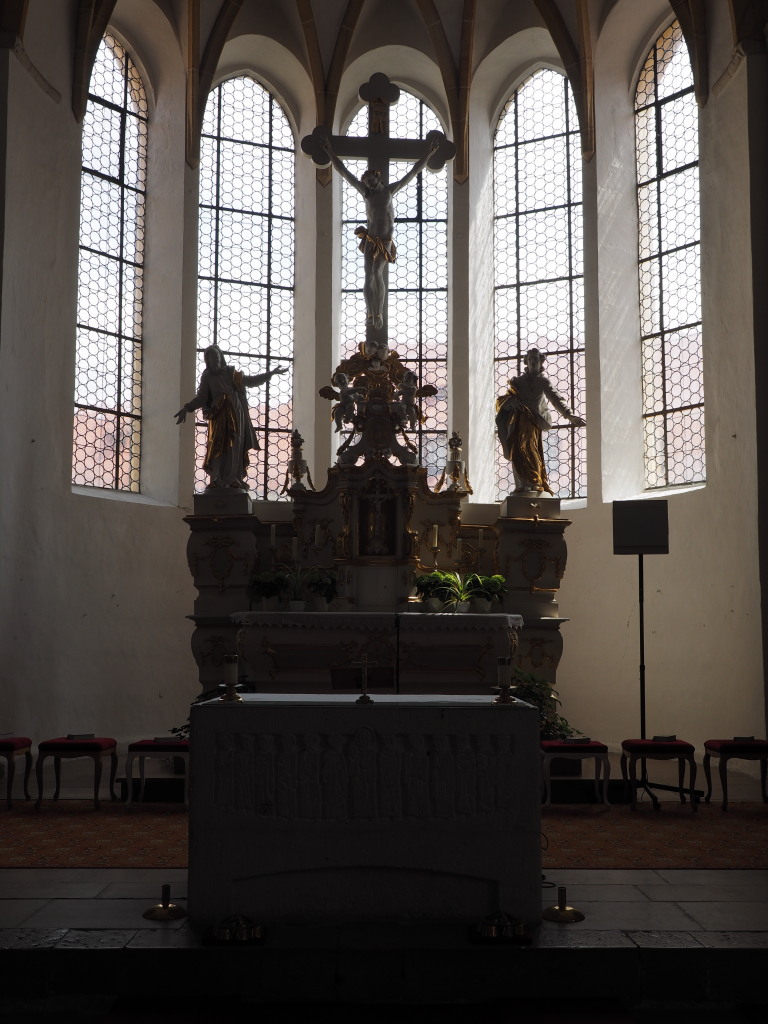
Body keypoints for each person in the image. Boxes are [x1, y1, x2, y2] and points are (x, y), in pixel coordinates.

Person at [320, 134, 439, 329]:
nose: (368, 184)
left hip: (385, 240)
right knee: (368, 274)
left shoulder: (389, 191)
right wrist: (329, 152)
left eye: (370, 180)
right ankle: (370, 312)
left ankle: (379, 312)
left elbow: (412, 172)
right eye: (366, 182)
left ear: (378, 177)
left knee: (377, 273)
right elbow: (344, 171)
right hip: (370, 238)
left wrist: (428, 154)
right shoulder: (366, 194)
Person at [175, 344, 288, 490]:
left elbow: (251, 381)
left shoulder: (231, 373)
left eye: (216, 357)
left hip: (236, 413)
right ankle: (217, 477)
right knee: (217, 445)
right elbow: (202, 397)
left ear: (221, 358)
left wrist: (270, 373)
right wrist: (187, 408)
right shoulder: (207, 376)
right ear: (207, 361)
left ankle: (234, 478)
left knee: (235, 445)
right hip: (218, 415)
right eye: (211, 358)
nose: (215, 360)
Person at [495, 348, 586, 495]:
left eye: (535, 359)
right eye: (530, 359)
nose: (532, 361)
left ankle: (534, 481)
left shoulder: (543, 381)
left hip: (532, 422)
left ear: (541, 361)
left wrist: (569, 415)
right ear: (526, 361)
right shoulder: (517, 382)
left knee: (530, 448)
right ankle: (521, 484)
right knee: (516, 450)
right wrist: (511, 402)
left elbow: (556, 399)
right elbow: (504, 400)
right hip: (517, 422)